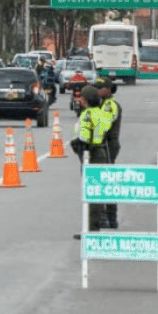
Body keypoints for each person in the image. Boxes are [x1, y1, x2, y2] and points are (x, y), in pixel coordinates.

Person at [70, 85, 114, 239]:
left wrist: (78, 148)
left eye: (81, 97)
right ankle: (92, 228)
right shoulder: (101, 113)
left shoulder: (87, 114)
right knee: (97, 193)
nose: (79, 99)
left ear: (86, 100)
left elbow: (83, 137)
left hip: (91, 154)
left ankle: (90, 230)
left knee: (91, 195)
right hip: (101, 151)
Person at [95, 74, 122, 228]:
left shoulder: (109, 105)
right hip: (105, 144)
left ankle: (107, 217)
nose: (97, 90)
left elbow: (103, 126)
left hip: (107, 145)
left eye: (100, 88)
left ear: (109, 89)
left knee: (105, 180)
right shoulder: (102, 103)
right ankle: (109, 218)